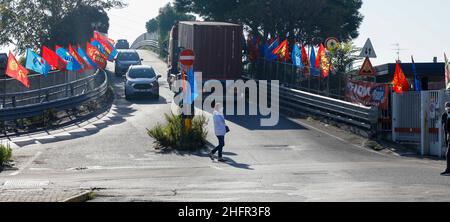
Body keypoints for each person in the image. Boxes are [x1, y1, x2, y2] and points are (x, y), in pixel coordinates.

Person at [441, 102, 450, 176]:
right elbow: (444, 125)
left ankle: (448, 170)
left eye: (448, 106)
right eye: (446, 106)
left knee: (448, 154)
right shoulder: (444, 114)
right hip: (447, 136)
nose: (447, 107)